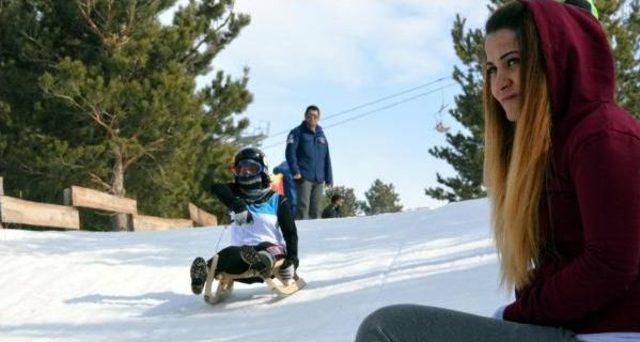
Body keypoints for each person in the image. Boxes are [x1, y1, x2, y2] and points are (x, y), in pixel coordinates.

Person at [356, 0, 640, 341]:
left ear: (553, 59)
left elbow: (611, 264)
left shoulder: (602, 135)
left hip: (614, 332)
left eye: (513, 62)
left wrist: (519, 313)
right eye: (491, 69)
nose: (499, 83)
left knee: (386, 330)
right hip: (574, 329)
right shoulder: (553, 146)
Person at [190, 147, 300, 294]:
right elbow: (216, 187)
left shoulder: (277, 200)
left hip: (272, 250)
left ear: (263, 171)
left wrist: (293, 260)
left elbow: (290, 233)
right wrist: (235, 203)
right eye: (242, 169)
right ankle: (205, 271)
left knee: (267, 250)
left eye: (252, 168)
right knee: (230, 253)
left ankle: (262, 260)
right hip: (242, 255)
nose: (247, 172)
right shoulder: (235, 194)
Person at [286, 105, 333, 220]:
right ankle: (300, 236)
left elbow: (326, 157)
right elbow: (290, 153)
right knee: (303, 208)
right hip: (303, 177)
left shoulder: (321, 135)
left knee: (316, 210)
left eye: (315, 116)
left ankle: (315, 237)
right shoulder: (296, 132)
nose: (312, 118)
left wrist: (329, 179)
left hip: (319, 179)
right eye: (310, 115)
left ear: (318, 118)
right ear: (305, 116)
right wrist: (295, 171)